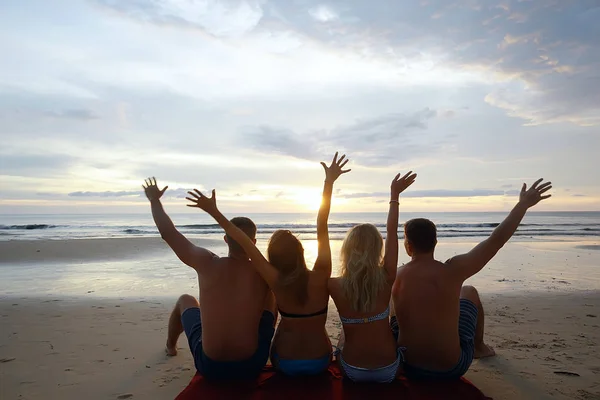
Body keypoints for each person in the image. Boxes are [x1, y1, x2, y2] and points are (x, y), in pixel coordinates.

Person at [186, 153, 350, 376]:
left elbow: (243, 240)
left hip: (285, 362)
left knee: (270, 296)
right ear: (301, 252)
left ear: (274, 257)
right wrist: (329, 182)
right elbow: (322, 223)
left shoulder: (275, 278)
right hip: (320, 360)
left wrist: (214, 212)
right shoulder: (322, 273)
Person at [392, 178, 552, 380]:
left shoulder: (395, 275)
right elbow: (496, 240)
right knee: (469, 291)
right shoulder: (453, 271)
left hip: (409, 366)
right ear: (435, 243)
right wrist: (523, 205)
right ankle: (479, 348)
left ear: (408, 247)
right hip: (451, 368)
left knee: (393, 307)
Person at [142, 177, 276, 381]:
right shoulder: (264, 271)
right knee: (271, 295)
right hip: (251, 366)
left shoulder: (207, 263)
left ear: (225, 239)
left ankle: (170, 347)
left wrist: (154, 200)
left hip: (211, 367)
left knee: (185, 300)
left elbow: (168, 233)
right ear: (254, 242)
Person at [329, 171, 417, 383]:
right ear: (378, 248)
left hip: (350, 371)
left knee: (343, 334)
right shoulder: (387, 276)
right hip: (390, 370)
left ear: (346, 250)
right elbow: (392, 231)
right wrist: (394, 197)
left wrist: (328, 185)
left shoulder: (333, 285)